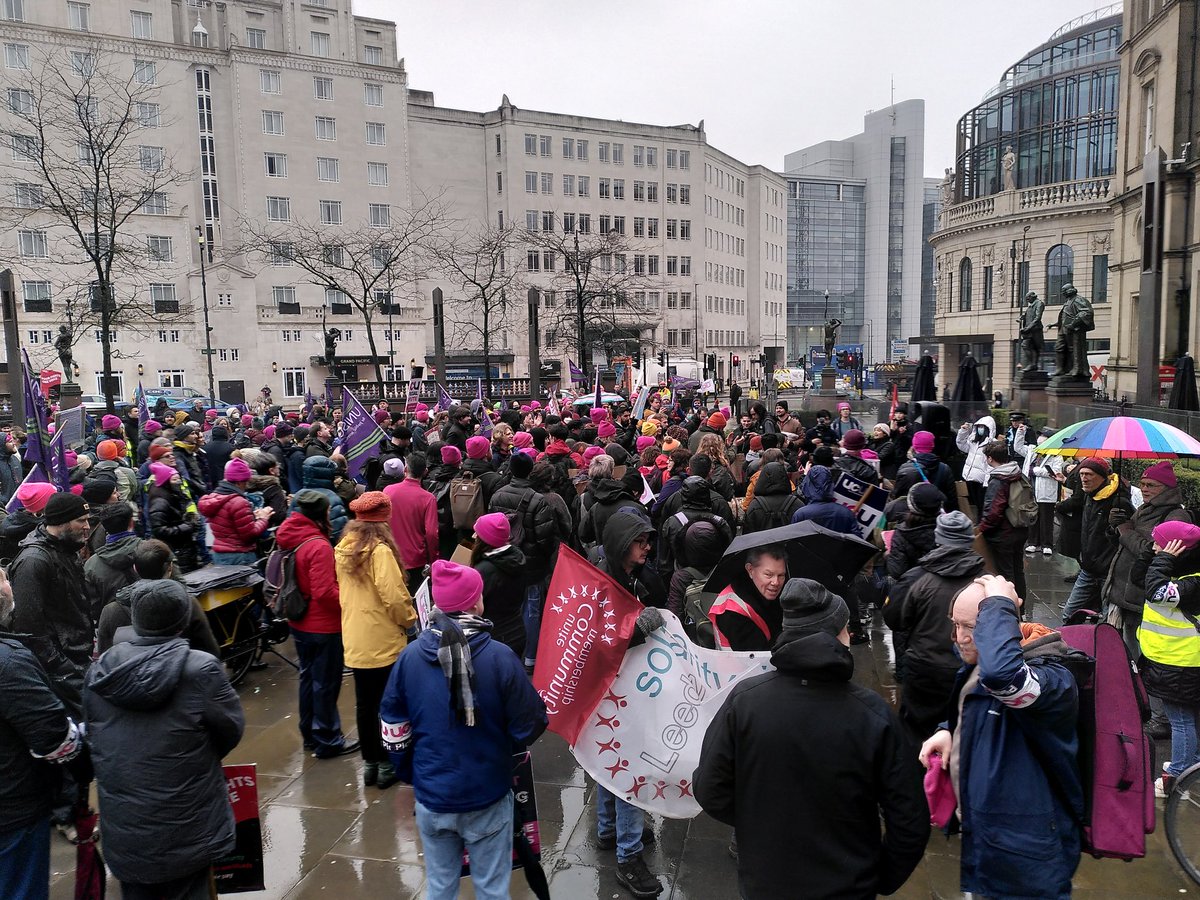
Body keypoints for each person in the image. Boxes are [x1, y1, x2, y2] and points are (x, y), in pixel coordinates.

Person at [695, 578, 929, 900]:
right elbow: (910, 820)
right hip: (849, 887)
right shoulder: (872, 716)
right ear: (834, 636)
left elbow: (709, 788)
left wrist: (757, 823)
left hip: (767, 883)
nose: (850, 638)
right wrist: (879, 878)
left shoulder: (745, 702)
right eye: (846, 629)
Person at [379, 560, 547, 900]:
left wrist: (415, 772)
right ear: (474, 603)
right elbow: (532, 721)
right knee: (492, 889)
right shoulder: (499, 658)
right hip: (487, 793)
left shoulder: (409, 658)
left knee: (440, 887)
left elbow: (392, 729)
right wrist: (501, 748)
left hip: (433, 797)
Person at [919, 575, 1082, 900]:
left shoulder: (1053, 679)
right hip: (988, 841)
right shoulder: (978, 665)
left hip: (1027, 854)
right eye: (955, 625)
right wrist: (947, 730)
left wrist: (999, 604)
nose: (959, 638)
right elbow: (979, 708)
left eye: (971, 626)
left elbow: (1004, 680)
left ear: (1001, 622)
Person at [84, 579, 245, 898]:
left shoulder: (100, 670)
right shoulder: (200, 669)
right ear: (183, 620)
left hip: (127, 831)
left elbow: (94, 735)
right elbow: (230, 730)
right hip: (187, 828)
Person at [0, 565, 84, 899]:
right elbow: (56, 741)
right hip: (13, 817)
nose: (10, 584)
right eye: (4, 579)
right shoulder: (9, 665)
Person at [594, 509, 666, 897]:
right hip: (612, 692)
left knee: (609, 762)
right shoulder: (602, 581)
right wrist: (637, 631)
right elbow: (599, 642)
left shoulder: (632, 575)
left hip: (624, 688)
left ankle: (609, 830)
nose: (647, 547)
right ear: (622, 544)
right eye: (640, 541)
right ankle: (628, 855)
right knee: (628, 771)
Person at [336, 492, 417, 789]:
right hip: (381, 639)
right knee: (387, 704)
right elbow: (394, 597)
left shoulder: (343, 547)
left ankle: (370, 763)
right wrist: (410, 619)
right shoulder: (379, 551)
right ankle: (386, 764)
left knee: (364, 704)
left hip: (356, 636)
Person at [895, 511, 986, 742]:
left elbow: (895, 618)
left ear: (938, 539)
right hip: (970, 669)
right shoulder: (988, 581)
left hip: (924, 670)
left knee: (915, 738)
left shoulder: (917, 578)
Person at [280, 491, 358, 759]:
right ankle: (328, 738)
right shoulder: (319, 545)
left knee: (308, 678)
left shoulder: (293, 535)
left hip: (299, 621)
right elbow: (325, 592)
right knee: (326, 683)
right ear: (322, 514)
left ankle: (310, 734)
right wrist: (350, 599)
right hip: (321, 626)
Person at [1140, 522, 1200, 796]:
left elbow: (1156, 592)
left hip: (1182, 662)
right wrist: (1152, 556)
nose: (1154, 547)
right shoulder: (1179, 569)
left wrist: (1162, 560)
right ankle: (1190, 764)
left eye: (1158, 543)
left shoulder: (1193, 581)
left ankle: (1176, 778)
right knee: (1188, 719)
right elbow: (1138, 578)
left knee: (1181, 720)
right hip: (1174, 659)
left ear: (1176, 550)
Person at [1106, 461, 1188, 657]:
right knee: (1125, 643)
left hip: (1140, 594)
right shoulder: (1145, 508)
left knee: (1137, 648)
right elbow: (1123, 541)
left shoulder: (1175, 516)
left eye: (1151, 485)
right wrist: (1114, 526)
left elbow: (1153, 551)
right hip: (1123, 591)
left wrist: (1125, 529)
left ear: (1167, 488)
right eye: (1142, 484)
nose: (1144, 489)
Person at [94, 539, 221, 657]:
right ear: (170, 568)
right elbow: (211, 652)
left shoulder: (110, 612)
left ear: (135, 569)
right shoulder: (187, 603)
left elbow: (105, 659)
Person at [1060, 456, 1133, 622]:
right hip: (1088, 568)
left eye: (1089, 474)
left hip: (1108, 572)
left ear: (1102, 477)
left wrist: (1117, 525)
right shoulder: (1090, 495)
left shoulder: (1119, 501)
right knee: (1069, 614)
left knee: (1109, 622)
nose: (1084, 478)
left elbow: (1127, 536)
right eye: (1082, 474)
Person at [977, 440, 1030, 605]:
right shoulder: (1019, 473)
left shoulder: (999, 479)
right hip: (1020, 529)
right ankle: (1020, 605)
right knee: (1017, 570)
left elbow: (993, 511)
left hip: (1003, 534)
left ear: (990, 458)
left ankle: (1010, 608)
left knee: (1006, 574)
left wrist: (981, 529)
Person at [709, 544, 787, 651]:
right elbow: (759, 656)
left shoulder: (763, 588)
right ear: (750, 570)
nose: (776, 582)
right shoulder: (733, 611)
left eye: (781, 575)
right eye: (768, 575)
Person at [471, 512, 527, 658]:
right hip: (516, 630)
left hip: (494, 638)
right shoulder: (516, 558)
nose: (473, 537)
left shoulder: (485, 571)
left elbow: (474, 608)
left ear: (485, 540)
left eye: (477, 533)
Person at [198, 458, 273, 565]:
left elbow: (229, 525)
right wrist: (263, 519)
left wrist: (252, 517)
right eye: (245, 482)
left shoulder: (215, 498)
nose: (246, 485)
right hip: (239, 556)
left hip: (220, 555)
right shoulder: (239, 502)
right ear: (239, 482)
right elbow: (249, 535)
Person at [383, 452, 440, 593]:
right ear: (425, 472)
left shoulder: (388, 491)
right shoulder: (428, 498)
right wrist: (433, 560)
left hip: (391, 555)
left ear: (405, 469)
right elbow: (432, 533)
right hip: (416, 559)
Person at [1015, 426, 1062, 555]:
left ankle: (1047, 544)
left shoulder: (1056, 455)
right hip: (1030, 490)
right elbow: (1017, 447)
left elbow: (1054, 472)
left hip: (1046, 492)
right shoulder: (1032, 450)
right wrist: (1020, 432)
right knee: (1032, 517)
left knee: (1046, 519)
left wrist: (1035, 471)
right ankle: (1032, 542)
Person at [146, 460, 200, 572]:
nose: (179, 482)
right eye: (174, 479)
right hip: (176, 551)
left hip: (184, 549)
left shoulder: (175, 495)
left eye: (178, 478)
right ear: (166, 482)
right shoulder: (160, 502)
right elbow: (159, 530)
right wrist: (185, 527)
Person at [790, 465, 858, 533]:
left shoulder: (801, 514)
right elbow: (856, 540)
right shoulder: (846, 513)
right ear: (830, 485)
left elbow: (793, 539)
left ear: (807, 484)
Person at [742, 461, 801, 534]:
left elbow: (748, 534)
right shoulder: (796, 503)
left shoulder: (755, 506)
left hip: (762, 543)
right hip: (790, 544)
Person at [956, 414, 997, 514]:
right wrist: (963, 432)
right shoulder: (973, 440)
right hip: (968, 477)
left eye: (983, 427)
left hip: (980, 481)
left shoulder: (992, 444)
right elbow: (962, 446)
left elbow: (991, 465)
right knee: (967, 504)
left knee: (980, 506)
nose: (980, 429)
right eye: (979, 427)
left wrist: (987, 483)